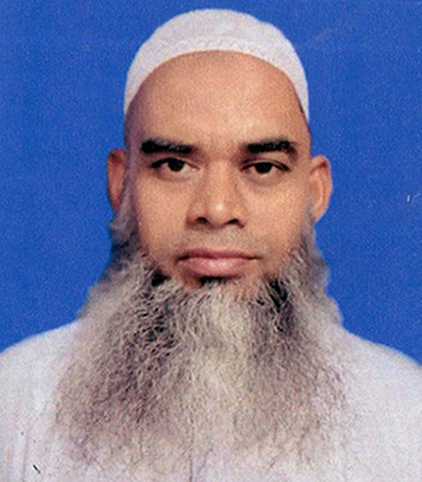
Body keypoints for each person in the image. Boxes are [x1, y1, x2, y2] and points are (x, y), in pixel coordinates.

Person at [1, 9, 421, 482]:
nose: (218, 209)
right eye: (175, 165)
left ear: (314, 191)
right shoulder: (16, 404)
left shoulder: (406, 419)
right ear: (122, 184)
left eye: (262, 168)